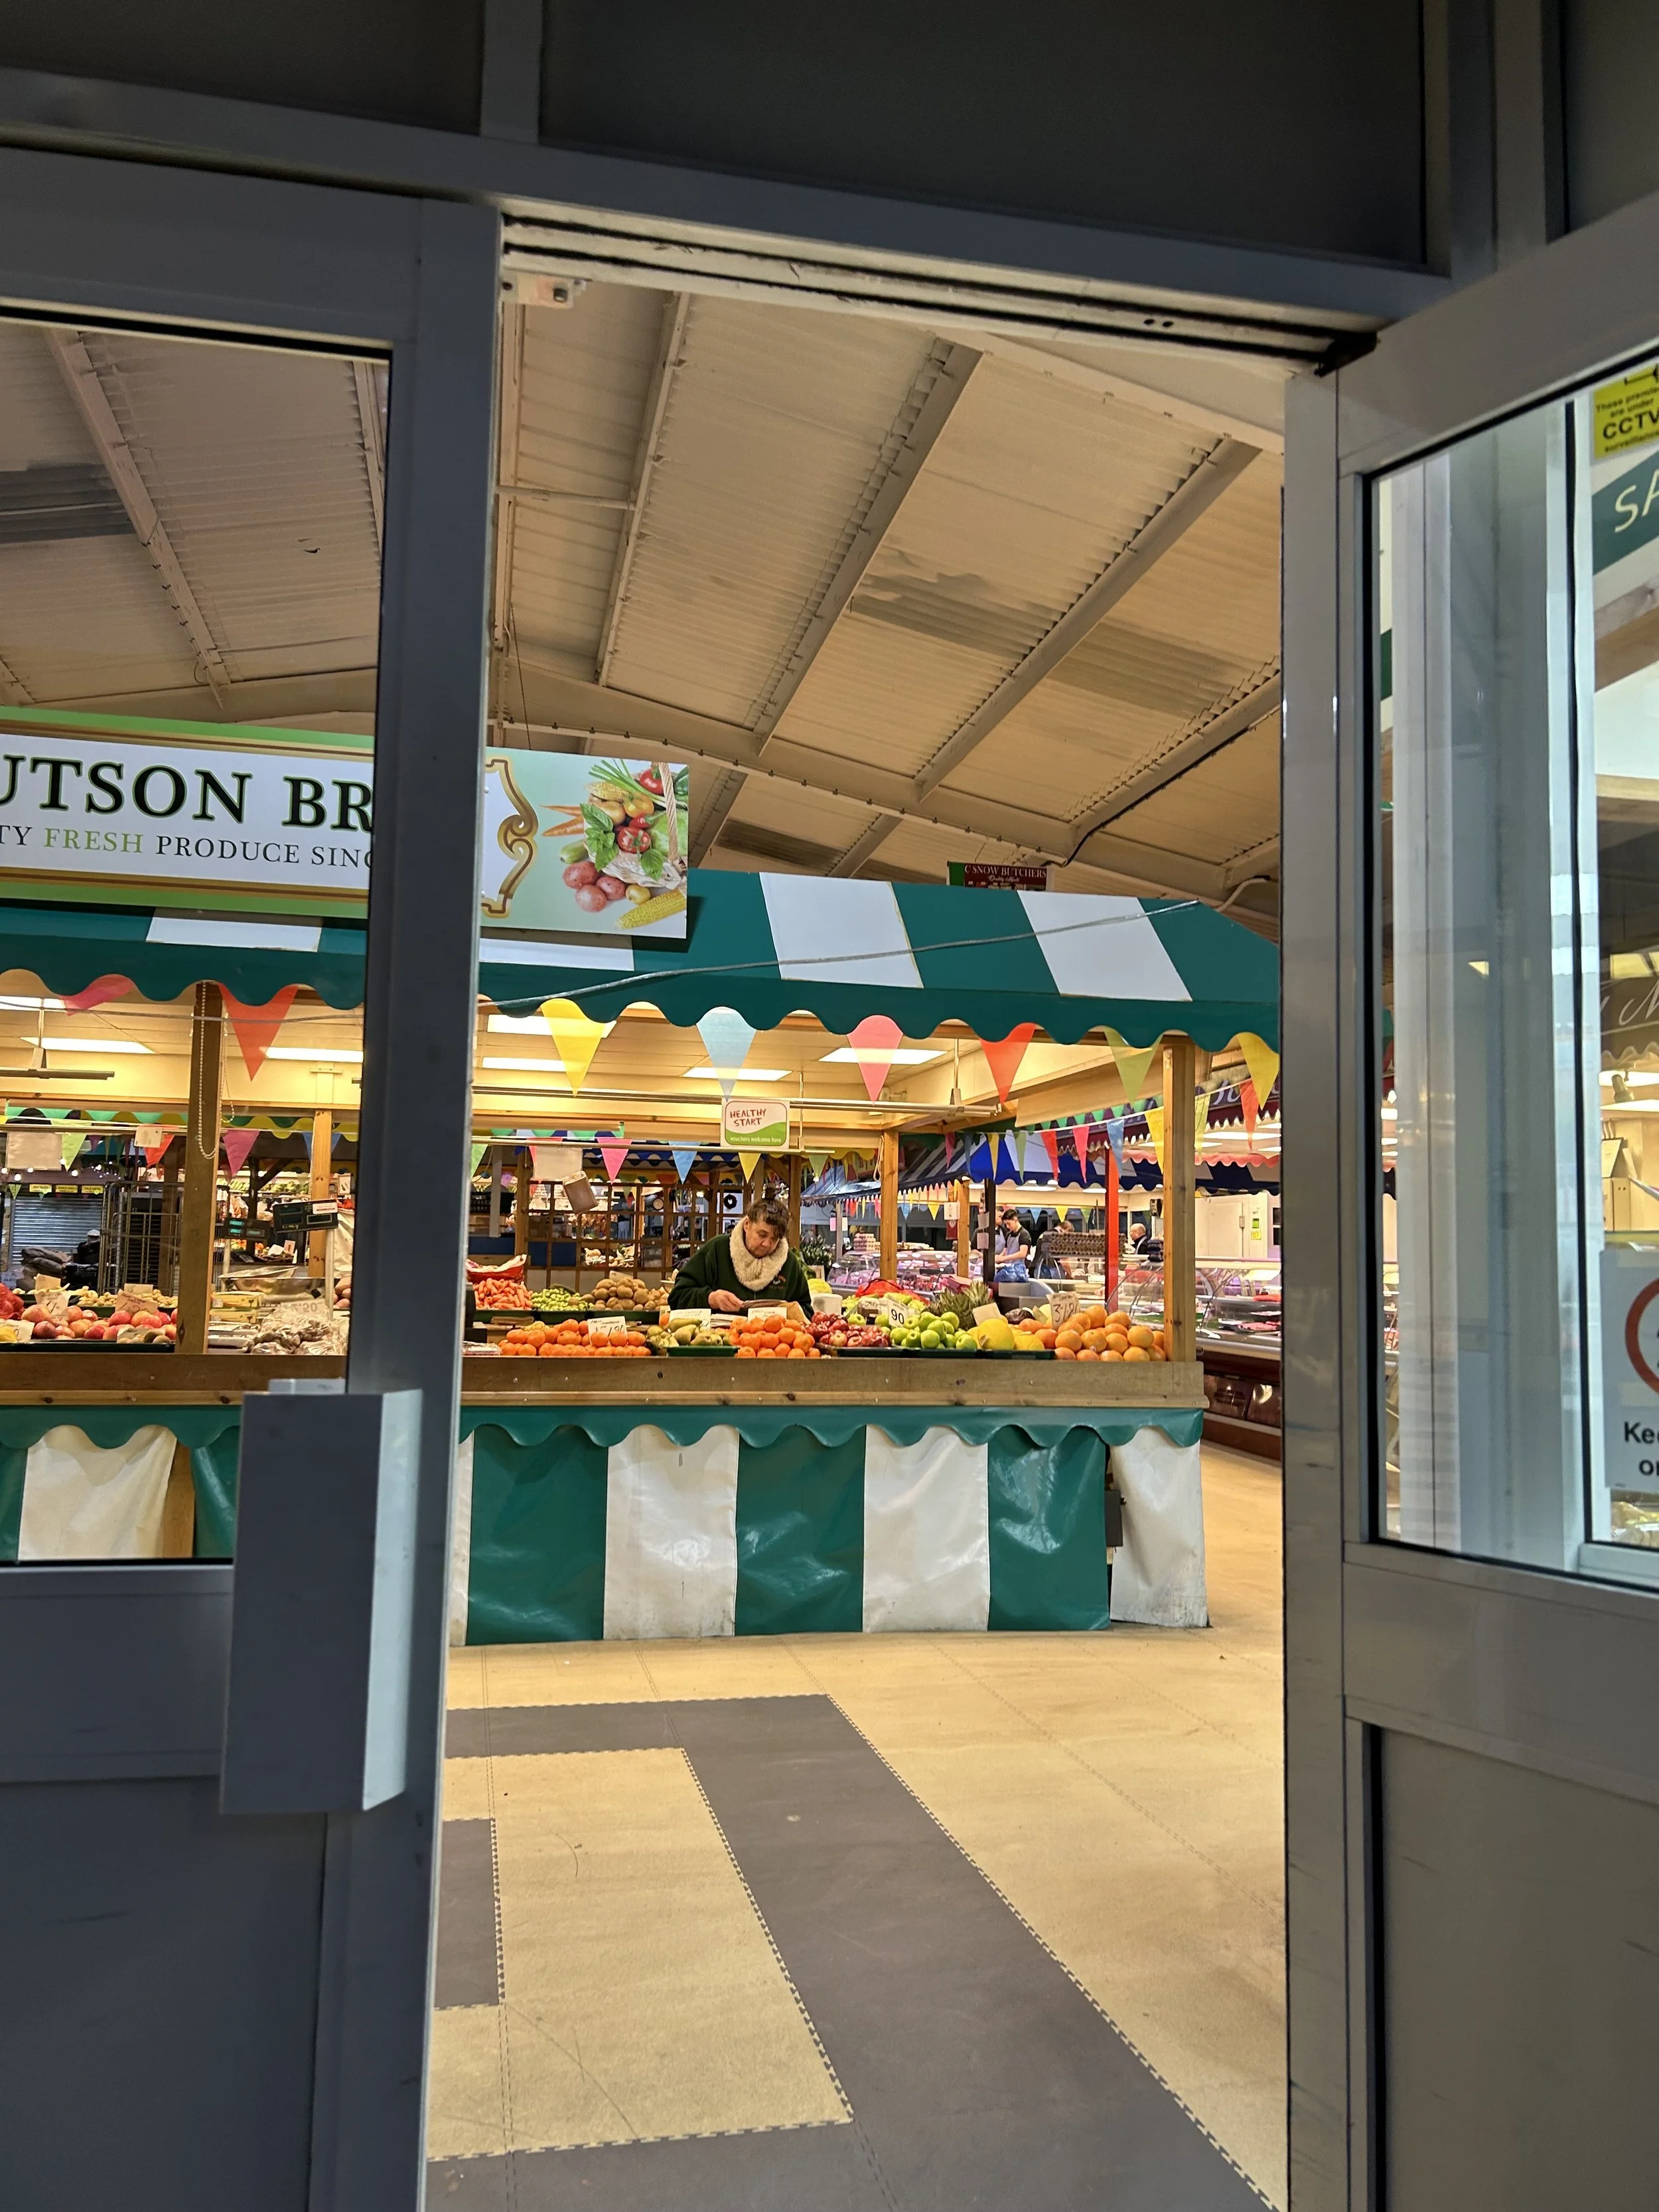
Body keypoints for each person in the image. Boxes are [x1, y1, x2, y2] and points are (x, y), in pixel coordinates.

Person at [669, 1195, 814, 1311]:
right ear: (747, 1225)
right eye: (762, 1235)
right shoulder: (717, 1250)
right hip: (720, 1342)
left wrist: (788, 1313)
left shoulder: (789, 1263)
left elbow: (807, 1310)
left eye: (775, 1239)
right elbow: (678, 1296)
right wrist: (711, 1299)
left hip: (774, 1346)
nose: (767, 1244)